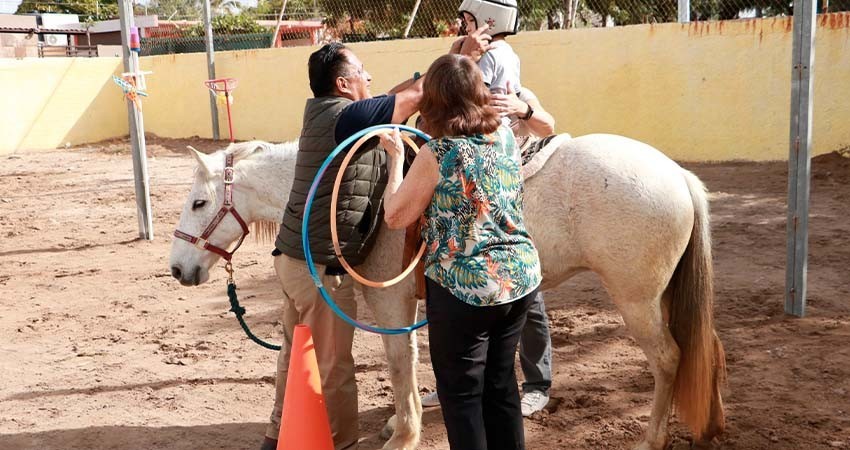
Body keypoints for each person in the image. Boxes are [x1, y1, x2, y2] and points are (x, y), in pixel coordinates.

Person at [261, 36, 493, 450]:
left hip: (292, 257)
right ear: (343, 85)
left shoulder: (329, 113)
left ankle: (277, 433)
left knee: (294, 352)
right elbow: (416, 96)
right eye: (361, 71)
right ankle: (340, 443)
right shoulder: (348, 118)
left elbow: (393, 95)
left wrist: (439, 66)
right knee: (331, 365)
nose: (368, 75)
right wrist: (461, 59)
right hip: (320, 269)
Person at [380, 54, 542, 450]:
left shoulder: (438, 153)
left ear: (433, 99)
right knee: (501, 387)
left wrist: (397, 159)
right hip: (519, 280)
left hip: (464, 290)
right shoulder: (504, 136)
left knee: (462, 396)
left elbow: (396, 215)